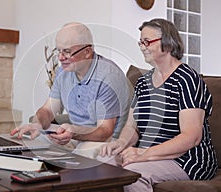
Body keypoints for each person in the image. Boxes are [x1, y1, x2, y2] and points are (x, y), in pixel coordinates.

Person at [98, 18, 218, 192]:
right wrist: (121, 143)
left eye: (147, 41)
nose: (142, 46)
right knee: (101, 161)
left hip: (188, 160)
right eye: (140, 42)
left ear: (168, 44)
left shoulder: (187, 79)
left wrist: (142, 154)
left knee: (132, 174)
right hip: (152, 154)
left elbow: (192, 137)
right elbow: (133, 126)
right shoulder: (142, 82)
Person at [11, 22, 132, 155]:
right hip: (75, 137)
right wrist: (38, 124)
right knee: (33, 142)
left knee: (85, 152)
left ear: (87, 52)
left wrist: (74, 132)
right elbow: (48, 109)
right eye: (59, 51)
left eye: (67, 52)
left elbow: (104, 131)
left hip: (105, 142)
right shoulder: (63, 71)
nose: (61, 58)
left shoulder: (109, 76)